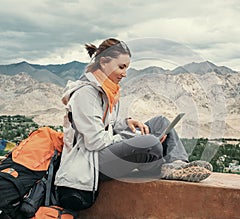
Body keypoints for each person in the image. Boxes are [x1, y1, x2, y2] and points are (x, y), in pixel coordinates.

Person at [54, 38, 212, 211]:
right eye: (121, 67)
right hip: (90, 162)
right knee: (150, 143)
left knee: (161, 122)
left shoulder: (107, 91)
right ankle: (163, 168)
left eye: (126, 68)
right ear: (104, 62)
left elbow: (106, 126)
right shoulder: (86, 93)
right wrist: (132, 137)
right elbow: (95, 142)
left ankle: (178, 165)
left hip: (102, 152)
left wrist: (126, 123)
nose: (125, 73)